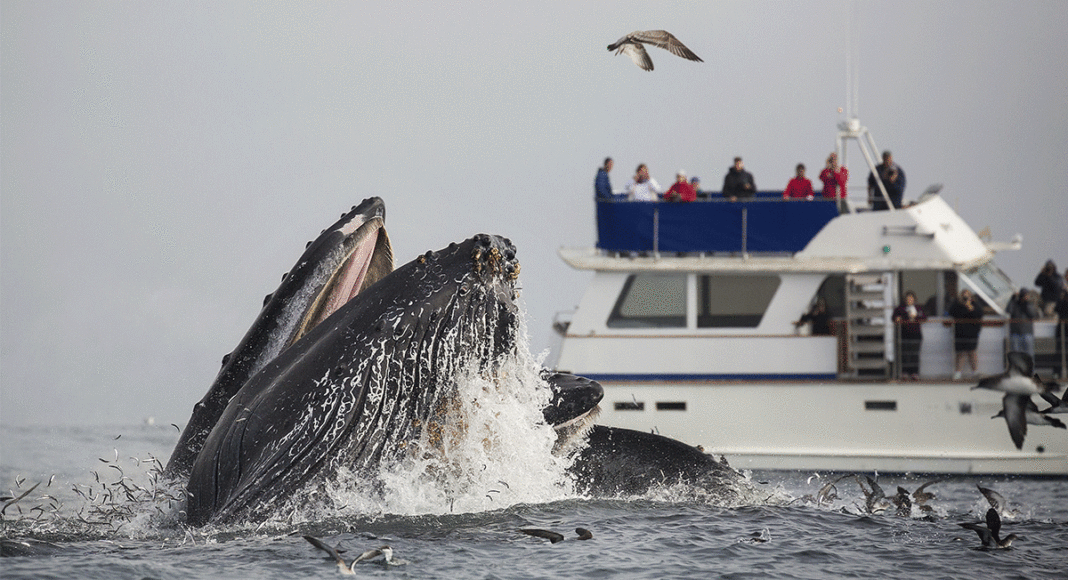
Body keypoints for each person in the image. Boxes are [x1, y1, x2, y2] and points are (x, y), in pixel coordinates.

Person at [948, 288, 983, 379]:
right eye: (964, 295)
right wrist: (960, 303)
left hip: (972, 333)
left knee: (972, 353)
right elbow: (951, 312)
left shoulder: (975, 305)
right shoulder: (957, 305)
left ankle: (975, 372)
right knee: (960, 353)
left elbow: (979, 314)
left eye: (968, 295)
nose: (965, 297)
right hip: (960, 332)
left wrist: (970, 307)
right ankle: (958, 373)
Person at [892, 290, 927, 379]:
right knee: (904, 354)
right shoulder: (900, 308)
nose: (909, 300)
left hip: (916, 333)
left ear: (914, 299)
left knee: (914, 354)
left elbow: (924, 317)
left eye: (911, 298)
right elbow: (894, 317)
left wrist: (916, 317)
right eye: (907, 298)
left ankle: (914, 372)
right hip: (904, 333)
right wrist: (898, 318)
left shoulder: (918, 308)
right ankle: (905, 372)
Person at [1006, 288, 1040, 359]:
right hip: (1015, 333)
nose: (1024, 297)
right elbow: (1008, 311)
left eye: (1025, 295)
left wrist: (1027, 303)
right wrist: (1012, 300)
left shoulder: (1030, 304)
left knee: (1029, 354)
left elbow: (1033, 314)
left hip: (1027, 333)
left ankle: (1029, 369)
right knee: (1016, 355)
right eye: (1023, 295)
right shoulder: (1015, 304)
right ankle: (1017, 369)